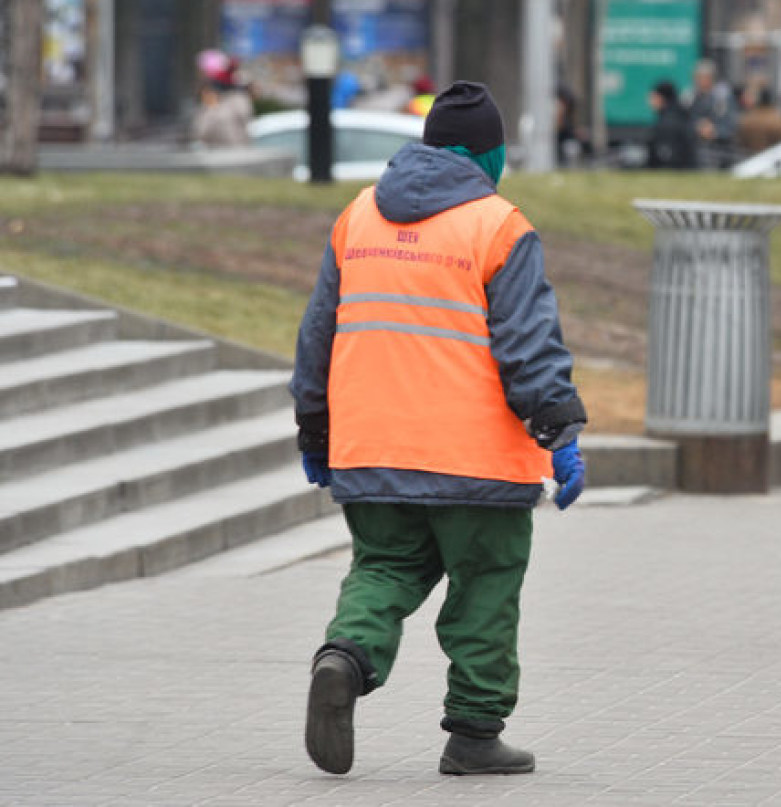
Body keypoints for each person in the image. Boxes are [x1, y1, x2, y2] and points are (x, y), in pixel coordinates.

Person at [290, 80, 588, 777]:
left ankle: (345, 656)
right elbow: (528, 343)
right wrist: (561, 432)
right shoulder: (499, 225)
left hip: (371, 449)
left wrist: (314, 428)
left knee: (384, 567)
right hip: (475, 459)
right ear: (493, 154)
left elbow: (317, 334)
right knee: (485, 583)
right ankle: (475, 734)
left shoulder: (358, 216)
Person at [191, 50, 253, 148]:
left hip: (226, 156)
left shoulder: (217, 105)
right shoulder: (240, 99)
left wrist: (211, 107)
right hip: (237, 154)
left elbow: (201, 132)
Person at [683, 58, 738, 167]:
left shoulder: (723, 96)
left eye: (705, 77)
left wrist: (715, 131)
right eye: (699, 77)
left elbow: (731, 123)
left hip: (721, 148)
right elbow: (684, 121)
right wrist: (697, 127)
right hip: (696, 148)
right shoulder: (689, 97)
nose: (701, 80)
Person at [646, 79, 698, 170]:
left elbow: (667, 157)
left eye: (653, 97)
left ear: (661, 98)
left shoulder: (667, 123)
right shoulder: (680, 115)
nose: (650, 101)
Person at [735, 84, 781, 155]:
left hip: (749, 158)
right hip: (769, 158)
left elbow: (740, 139)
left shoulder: (748, 117)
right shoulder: (777, 119)